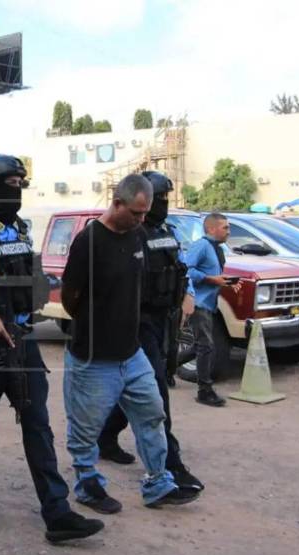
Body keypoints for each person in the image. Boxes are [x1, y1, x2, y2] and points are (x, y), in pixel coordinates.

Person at [0, 154, 104, 544]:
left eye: (20, 184)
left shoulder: (21, 231)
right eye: (10, 183)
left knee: (38, 427)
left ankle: (57, 513)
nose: (17, 191)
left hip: (22, 342)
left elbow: (28, 277)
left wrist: (43, 287)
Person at [61, 174, 200, 513]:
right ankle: (88, 485)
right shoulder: (89, 241)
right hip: (93, 356)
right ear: (116, 202)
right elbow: (69, 298)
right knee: (86, 428)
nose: (141, 220)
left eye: (145, 213)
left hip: (131, 351)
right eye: (136, 213)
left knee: (152, 413)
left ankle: (158, 483)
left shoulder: (138, 235)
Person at [96, 171, 204, 492]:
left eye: (167, 199)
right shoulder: (128, 235)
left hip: (165, 321)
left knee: (143, 386)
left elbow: (182, 267)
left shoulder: (167, 232)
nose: (164, 205)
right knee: (156, 393)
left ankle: (105, 436)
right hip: (138, 324)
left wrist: (189, 296)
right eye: (160, 199)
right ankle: (170, 464)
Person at [178, 213, 242, 407]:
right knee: (206, 346)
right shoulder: (202, 246)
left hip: (209, 303)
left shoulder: (217, 249)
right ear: (212, 229)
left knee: (201, 346)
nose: (229, 232)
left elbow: (213, 274)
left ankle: (165, 367)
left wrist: (225, 283)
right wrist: (212, 280)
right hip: (198, 303)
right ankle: (204, 390)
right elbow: (187, 270)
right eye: (225, 228)